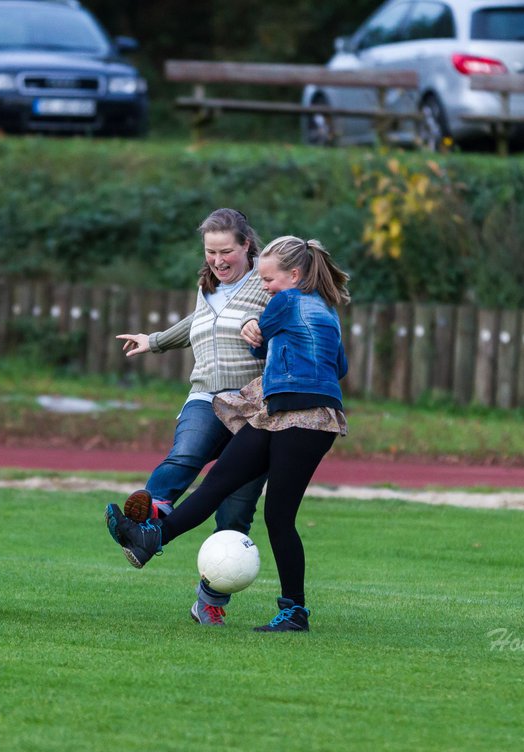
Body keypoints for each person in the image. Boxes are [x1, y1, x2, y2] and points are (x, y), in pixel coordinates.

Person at [107, 235, 351, 633]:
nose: (265, 286)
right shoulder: (326, 310)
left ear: (294, 274)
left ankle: (294, 612)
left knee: (278, 516)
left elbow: (254, 334)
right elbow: (338, 366)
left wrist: (257, 325)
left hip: (305, 418)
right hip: (280, 409)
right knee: (218, 481)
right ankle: (151, 537)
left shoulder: (286, 301)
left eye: (269, 279)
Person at [105, 208, 270, 627]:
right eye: (210, 252)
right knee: (186, 454)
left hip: (254, 407)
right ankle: (147, 520)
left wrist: (262, 327)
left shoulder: (268, 283)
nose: (217, 260)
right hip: (206, 395)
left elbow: (289, 319)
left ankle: (210, 600)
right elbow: (200, 322)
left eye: (226, 251)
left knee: (235, 513)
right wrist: (154, 341)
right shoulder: (208, 287)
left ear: (247, 245)